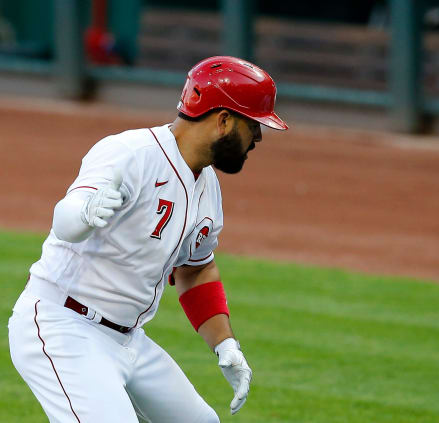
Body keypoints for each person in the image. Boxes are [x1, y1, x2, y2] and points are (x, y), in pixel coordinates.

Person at [7, 56, 288, 422]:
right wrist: (85, 213)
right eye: (254, 125)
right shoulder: (132, 153)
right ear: (223, 120)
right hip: (64, 325)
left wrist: (226, 343)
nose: (258, 138)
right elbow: (65, 219)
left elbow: (195, 270)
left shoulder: (208, 188)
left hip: (129, 341)